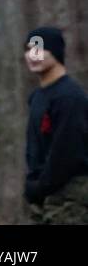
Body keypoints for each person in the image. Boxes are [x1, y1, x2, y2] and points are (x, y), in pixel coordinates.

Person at [23, 26, 88, 223]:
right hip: (43, 193)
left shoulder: (69, 97)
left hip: (70, 194)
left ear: (56, 52)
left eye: (39, 48)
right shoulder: (37, 97)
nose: (32, 55)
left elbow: (68, 153)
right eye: (28, 49)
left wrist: (40, 186)